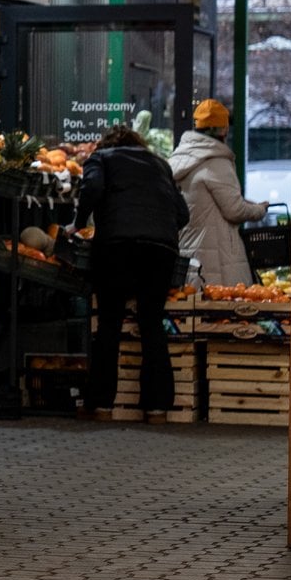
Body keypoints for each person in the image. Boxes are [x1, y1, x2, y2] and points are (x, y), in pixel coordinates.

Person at [73, 124, 189, 422]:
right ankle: (157, 409)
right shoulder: (160, 164)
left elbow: (93, 188)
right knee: (151, 322)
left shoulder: (101, 158)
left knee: (109, 323)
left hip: (115, 246)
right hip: (161, 250)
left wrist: (78, 222)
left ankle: (101, 405)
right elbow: (183, 214)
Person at [170, 99, 268, 289]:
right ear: (224, 130)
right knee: (221, 310)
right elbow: (235, 210)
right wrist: (259, 209)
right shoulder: (216, 162)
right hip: (216, 260)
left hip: (185, 255)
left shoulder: (178, 159)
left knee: (192, 309)